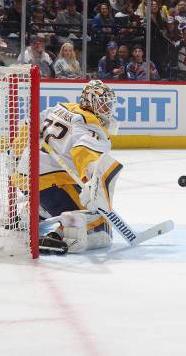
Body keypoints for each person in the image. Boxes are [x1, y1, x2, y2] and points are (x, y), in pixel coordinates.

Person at [34, 80, 121, 253]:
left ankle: (34, 211)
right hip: (49, 185)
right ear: (92, 102)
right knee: (101, 227)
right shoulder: (90, 122)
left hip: (26, 177)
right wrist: (91, 181)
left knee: (71, 187)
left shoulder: (61, 107)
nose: (108, 109)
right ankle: (59, 235)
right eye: (104, 103)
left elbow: (30, 123)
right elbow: (82, 150)